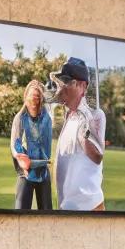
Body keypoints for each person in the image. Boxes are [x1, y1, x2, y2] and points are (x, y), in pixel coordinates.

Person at [53, 58, 106, 212]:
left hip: (88, 208)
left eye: (67, 81)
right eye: (62, 81)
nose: (62, 86)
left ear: (82, 86)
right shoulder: (68, 116)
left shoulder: (95, 115)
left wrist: (85, 133)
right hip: (67, 207)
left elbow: (97, 156)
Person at [10, 79, 52, 211]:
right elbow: (14, 143)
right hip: (25, 172)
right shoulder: (19, 118)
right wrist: (19, 157)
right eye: (31, 97)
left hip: (43, 171)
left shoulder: (47, 119)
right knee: (20, 213)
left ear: (41, 100)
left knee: (46, 213)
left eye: (37, 98)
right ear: (26, 97)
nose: (34, 102)